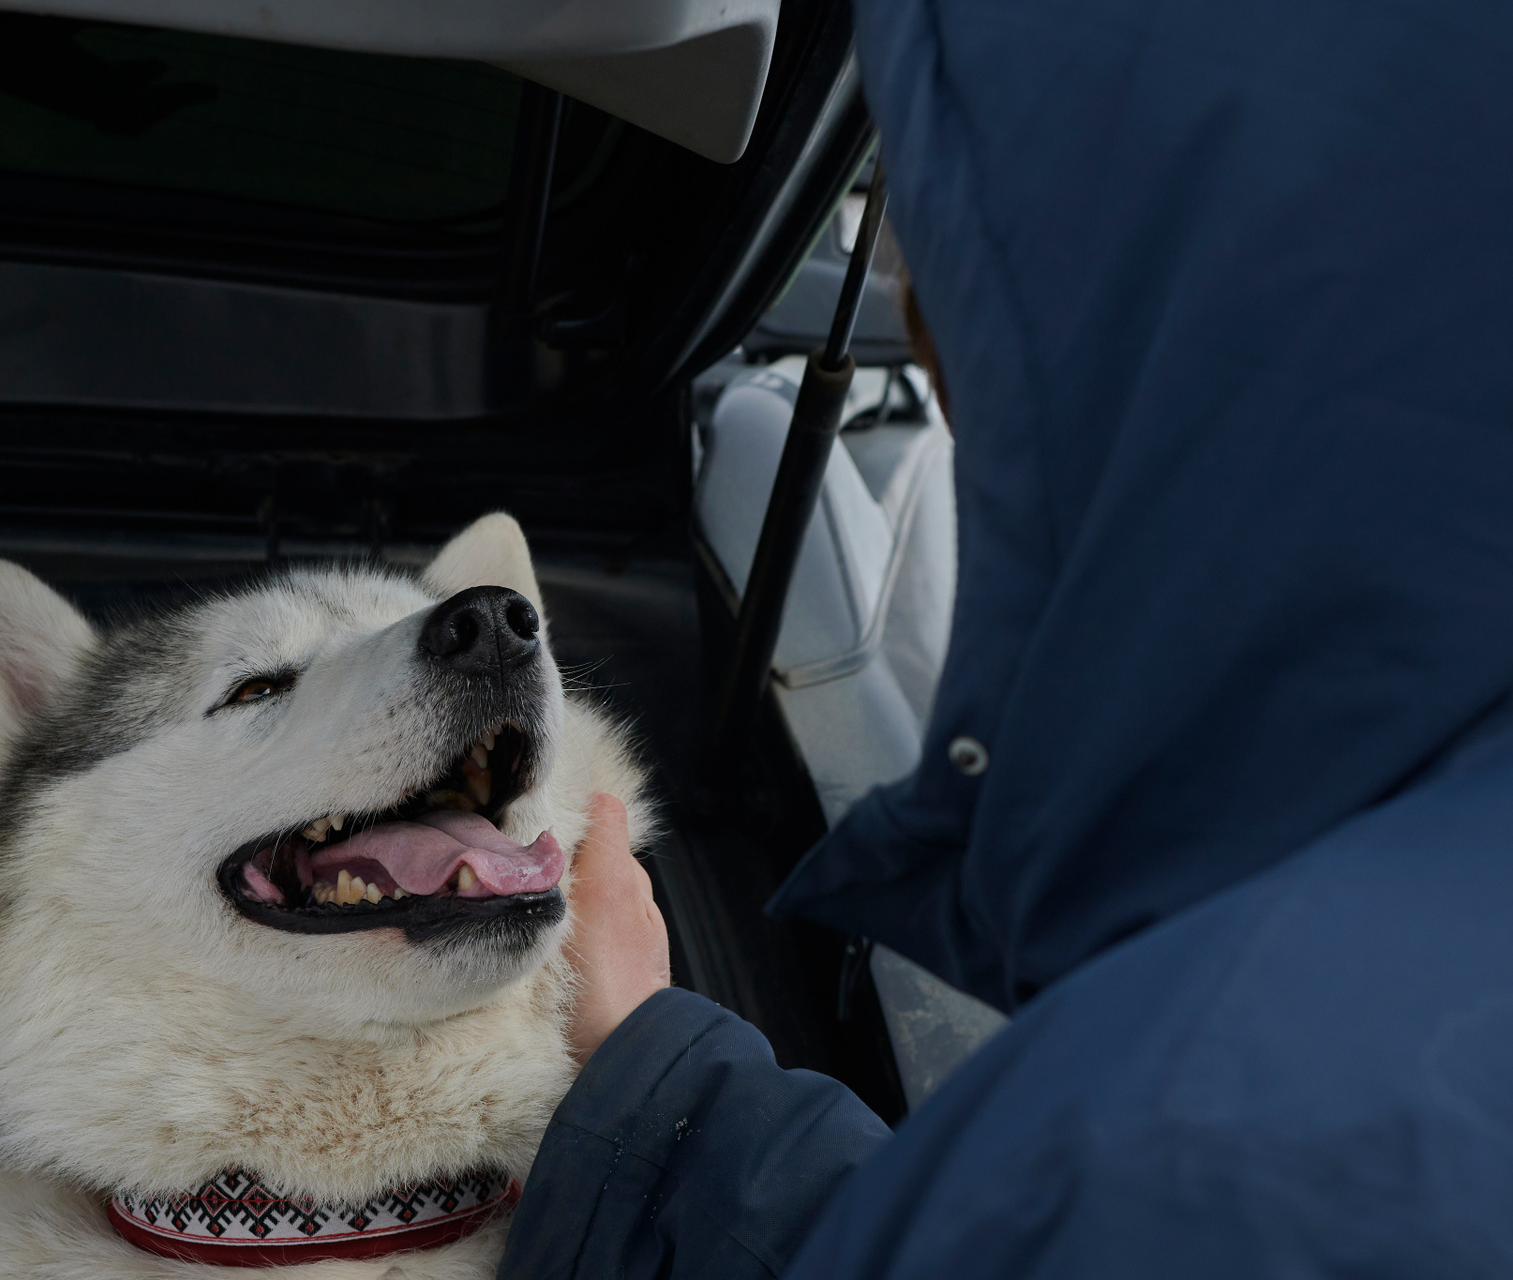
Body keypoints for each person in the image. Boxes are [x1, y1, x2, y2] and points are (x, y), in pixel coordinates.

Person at [497, 0, 1513, 1274]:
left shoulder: (1204, 1149)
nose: (933, 365)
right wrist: (659, 1079)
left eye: (969, 326)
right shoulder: (1306, 1069)